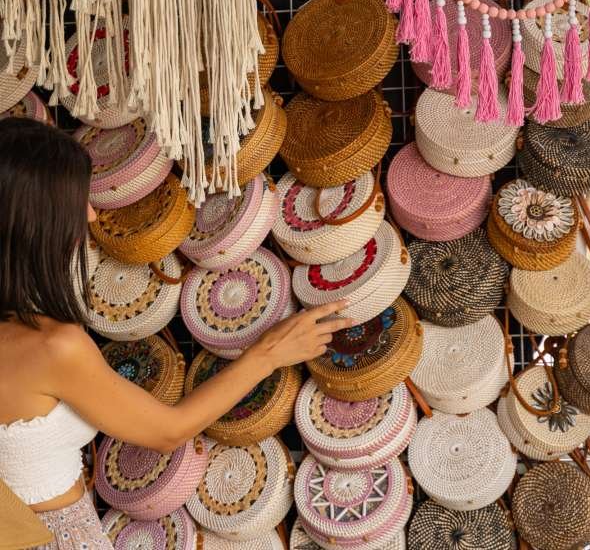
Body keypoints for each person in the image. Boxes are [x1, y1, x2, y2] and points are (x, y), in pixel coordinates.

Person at [0, 117, 353, 549]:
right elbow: (169, 430)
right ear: (35, 216)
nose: (90, 214)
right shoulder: (52, 348)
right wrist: (269, 352)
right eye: (77, 200)